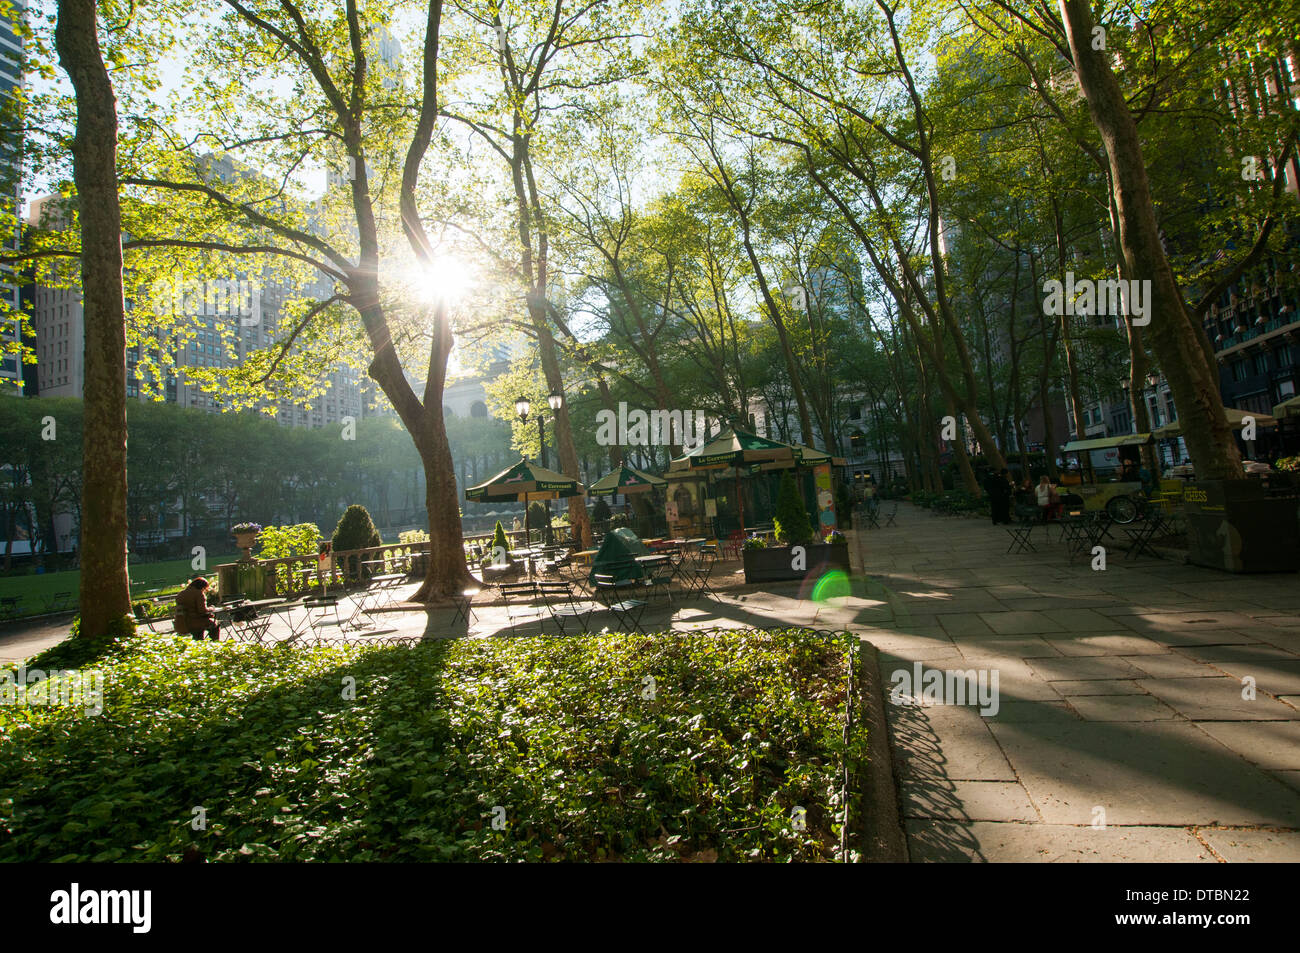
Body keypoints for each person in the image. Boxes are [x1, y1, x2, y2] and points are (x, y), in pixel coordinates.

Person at [175, 576, 219, 641]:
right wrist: (211, 608)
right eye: (204, 588)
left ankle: (198, 640)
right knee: (215, 625)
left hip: (181, 623)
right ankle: (215, 643)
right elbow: (202, 610)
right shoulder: (199, 594)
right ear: (202, 587)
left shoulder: (181, 594)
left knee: (200, 630)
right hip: (195, 622)